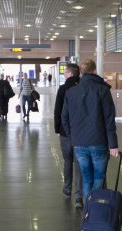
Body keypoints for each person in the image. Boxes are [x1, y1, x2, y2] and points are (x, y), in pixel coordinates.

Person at [62, 59, 119, 202]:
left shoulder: (71, 92)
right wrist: (113, 144)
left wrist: (73, 136)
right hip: (99, 142)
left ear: (81, 72)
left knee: (86, 177)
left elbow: (65, 118)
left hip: (79, 143)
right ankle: (95, 210)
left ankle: (88, 209)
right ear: (94, 71)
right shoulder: (102, 90)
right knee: (99, 177)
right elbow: (109, 119)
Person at [54, 64, 83, 208]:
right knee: (78, 164)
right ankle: (78, 196)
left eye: (65, 72)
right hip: (80, 132)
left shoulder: (63, 89)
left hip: (65, 132)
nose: (65, 75)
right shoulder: (83, 88)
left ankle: (67, 189)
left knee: (67, 161)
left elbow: (58, 110)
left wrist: (57, 128)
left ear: (70, 74)